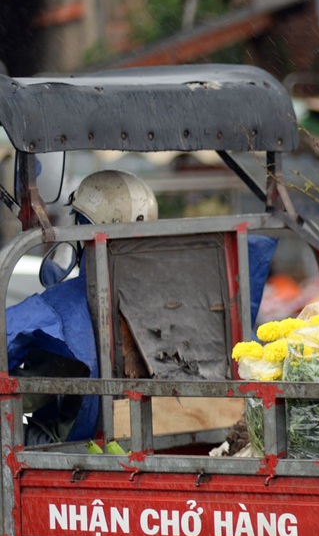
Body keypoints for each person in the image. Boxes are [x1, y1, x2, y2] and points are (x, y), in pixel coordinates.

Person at [6, 170, 277, 444]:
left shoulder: (66, 309)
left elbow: (25, 391)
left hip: (86, 450)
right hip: (193, 437)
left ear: (82, 226)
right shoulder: (201, 291)